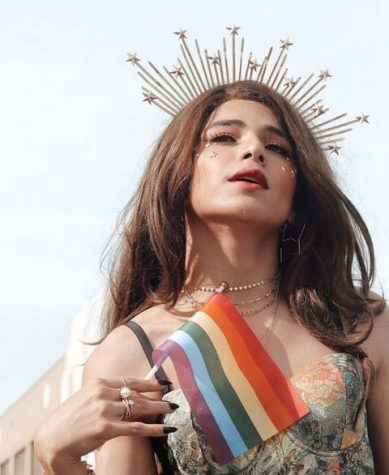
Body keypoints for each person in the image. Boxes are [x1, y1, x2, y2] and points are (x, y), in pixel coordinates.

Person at [34, 73, 389, 473]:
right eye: (224, 138)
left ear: (296, 200)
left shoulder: (360, 322)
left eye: (277, 147)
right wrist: (57, 458)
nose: (254, 149)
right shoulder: (132, 350)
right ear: (178, 174)